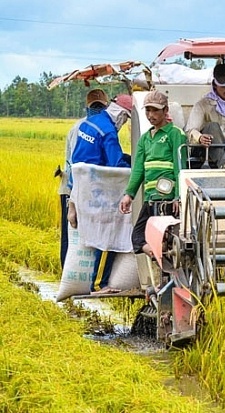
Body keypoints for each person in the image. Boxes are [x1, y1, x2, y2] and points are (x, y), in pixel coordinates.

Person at [69, 90, 134, 295]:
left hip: (81, 187)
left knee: (95, 234)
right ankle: (99, 284)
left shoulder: (91, 122)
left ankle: (94, 282)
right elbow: (115, 163)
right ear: (122, 115)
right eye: (125, 119)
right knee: (107, 234)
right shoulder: (108, 131)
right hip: (98, 191)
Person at [119, 90, 186, 259]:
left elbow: (180, 166)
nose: (151, 115)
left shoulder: (175, 134)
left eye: (155, 110)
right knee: (138, 237)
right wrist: (129, 195)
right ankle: (158, 257)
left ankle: (166, 273)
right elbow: (138, 170)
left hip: (168, 198)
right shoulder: (145, 139)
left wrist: (179, 196)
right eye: (148, 110)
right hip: (151, 198)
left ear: (165, 111)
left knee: (168, 237)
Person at [56, 89, 108, 269]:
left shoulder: (95, 126)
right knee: (72, 234)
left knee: (85, 234)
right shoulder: (83, 128)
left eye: (100, 107)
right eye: (96, 107)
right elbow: (76, 163)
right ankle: (68, 275)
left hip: (88, 189)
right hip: (73, 188)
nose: (98, 110)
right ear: (87, 107)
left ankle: (82, 277)